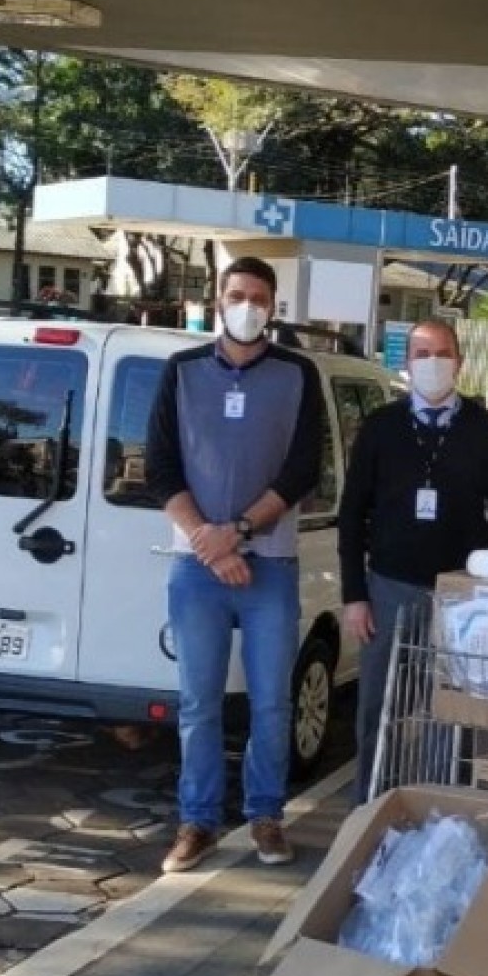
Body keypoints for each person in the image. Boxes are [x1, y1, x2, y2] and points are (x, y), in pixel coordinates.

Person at [145, 256, 324, 875]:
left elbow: (305, 470)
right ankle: (197, 821)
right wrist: (205, 540)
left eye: (259, 297)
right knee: (198, 703)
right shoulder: (182, 372)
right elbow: (161, 467)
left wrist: (239, 532)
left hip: (269, 565)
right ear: (218, 300)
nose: (247, 305)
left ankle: (266, 815)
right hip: (196, 568)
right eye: (237, 294)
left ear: (273, 308)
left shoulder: (299, 374)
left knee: (273, 701)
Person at [339, 318, 488, 803]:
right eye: (422, 353)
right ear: (407, 363)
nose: (432, 363)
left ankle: (442, 814)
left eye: (442, 353)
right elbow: (352, 514)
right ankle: (370, 811)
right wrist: (355, 595)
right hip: (388, 588)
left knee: (452, 717)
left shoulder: (485, 430)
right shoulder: (380, 428)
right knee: (381, 710)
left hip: (461, 597)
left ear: (459, 362)